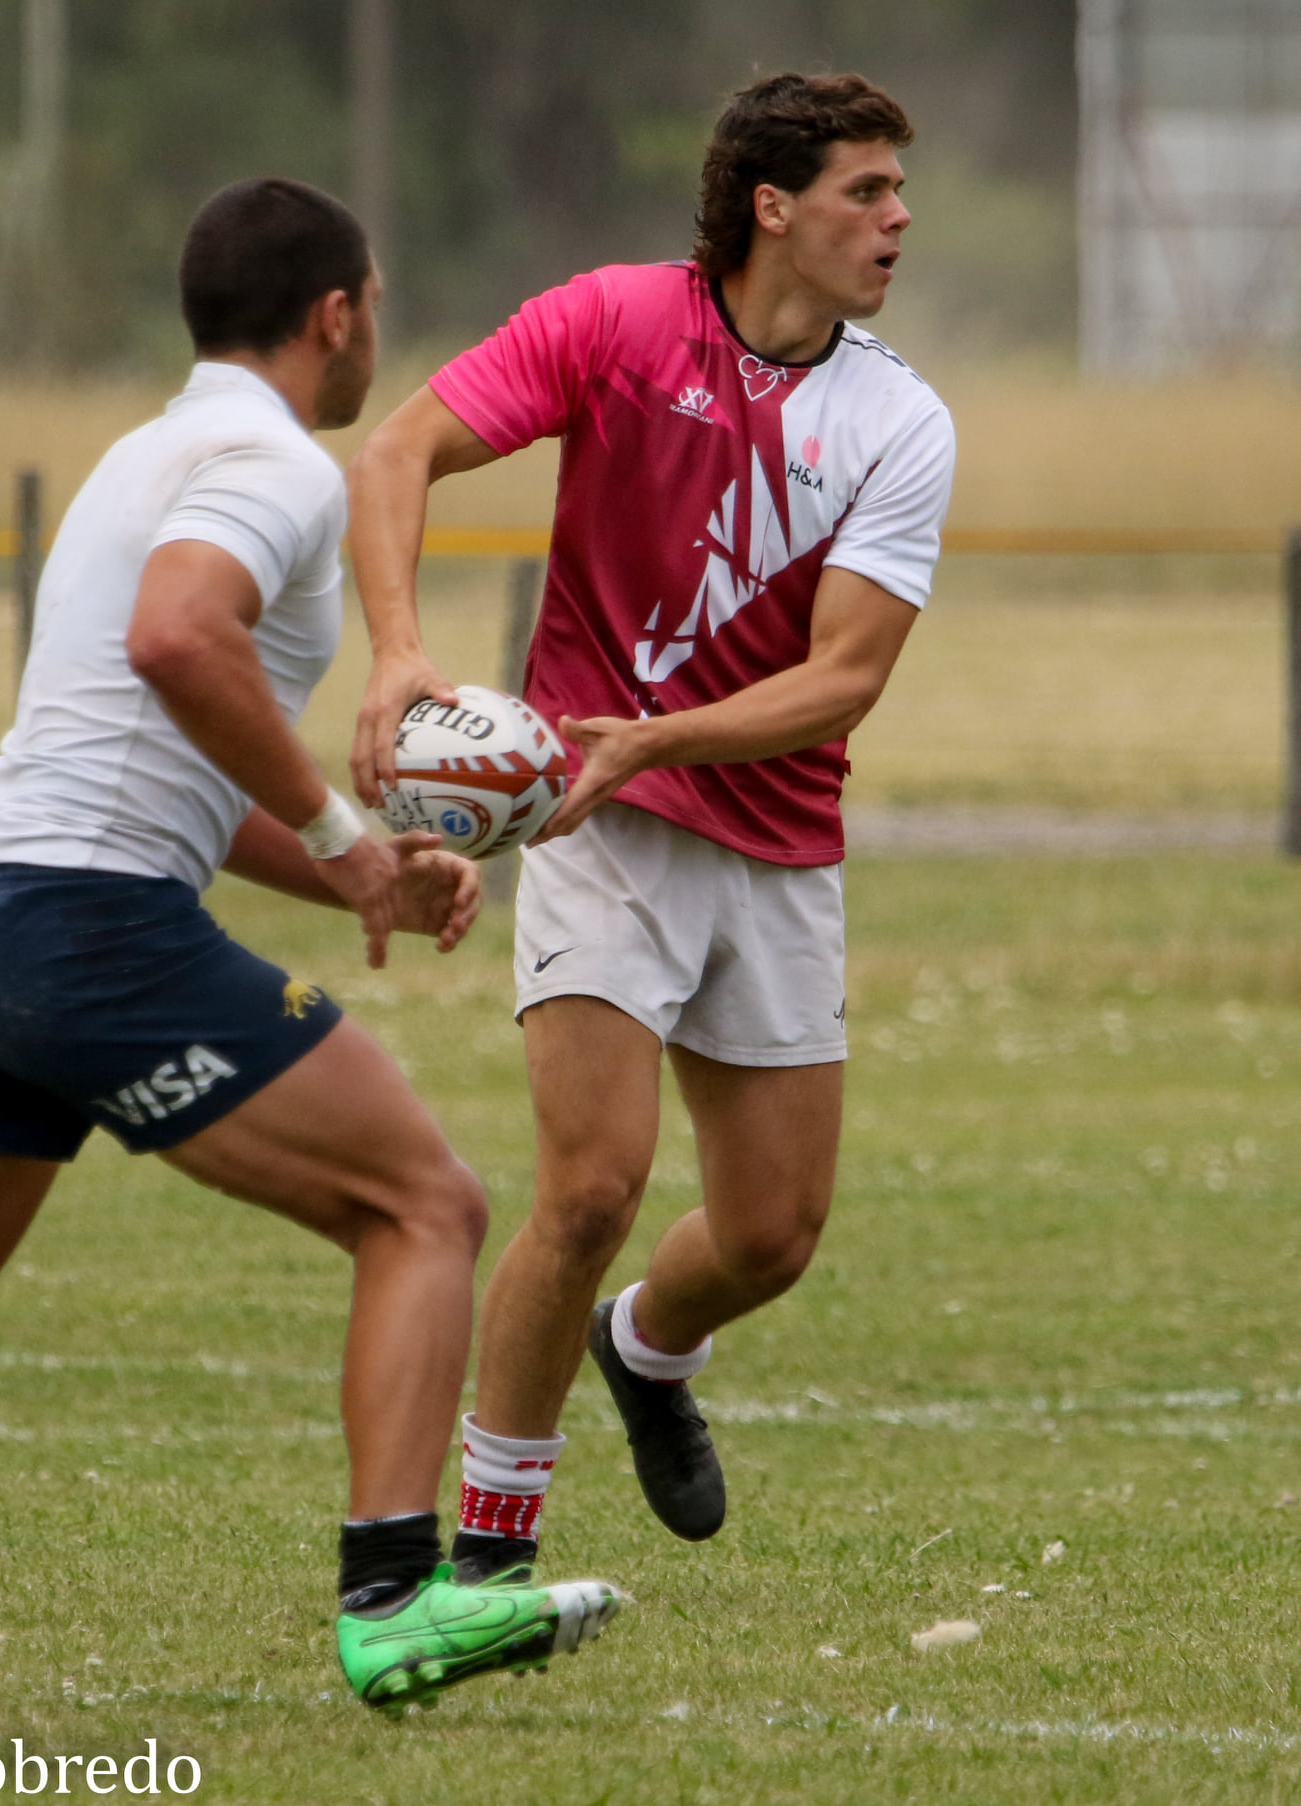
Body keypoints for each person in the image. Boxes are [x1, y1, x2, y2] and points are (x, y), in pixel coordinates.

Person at [0, 177, 618, 1714]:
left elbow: (178, 765)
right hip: (79, 929)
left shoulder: (143, 452)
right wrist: (355, 839)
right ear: (335, 315)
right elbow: (177, 638)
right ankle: (394, 1600)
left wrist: (361, 876)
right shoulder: (274, 464)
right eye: (377, 304)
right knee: (424, 1201)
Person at [347, 74, 956, 1583]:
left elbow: (844, 680)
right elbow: (397, 449)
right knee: (596, 1182)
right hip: (596, 824)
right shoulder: (616, 324)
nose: (896, 219)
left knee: (772, 1234)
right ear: (774, 206)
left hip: (767, 832)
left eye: (898, 191)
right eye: (865, 192)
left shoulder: (899, 418)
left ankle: (649, 1345)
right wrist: (401, 653)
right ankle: (484, 1551)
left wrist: (656, 738)